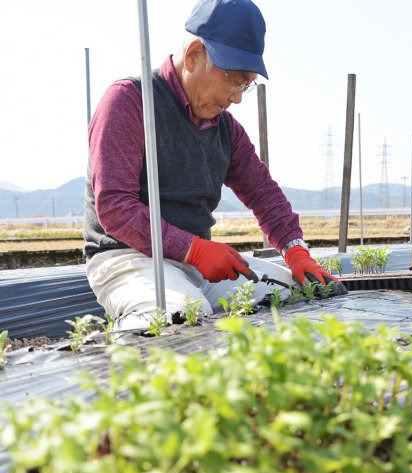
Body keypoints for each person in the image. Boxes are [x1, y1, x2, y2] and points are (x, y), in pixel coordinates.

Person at [83, 0, 347, 331]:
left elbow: (264, 194)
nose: (237, 97)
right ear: (195, 54)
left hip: (195, 262)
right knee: (180, 320)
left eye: (246, 84)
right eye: (234, 80)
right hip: (128, 259)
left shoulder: (225, 129)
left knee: (301, 298)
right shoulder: (130, 102)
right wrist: (193, 249)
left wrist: (296, 251)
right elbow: (116, 208)